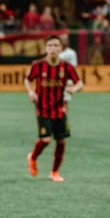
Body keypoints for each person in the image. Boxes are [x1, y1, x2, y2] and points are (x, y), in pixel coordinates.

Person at [25, 35, 83, 182]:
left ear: (61, 49)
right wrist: (31, 92)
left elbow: (79, 83)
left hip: (60, 109)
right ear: (46, 48)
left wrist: (73, 89)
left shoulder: (67, 67)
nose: (52, 48)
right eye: (50, 45)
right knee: (45, 140)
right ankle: (32, 157)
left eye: (56, 46)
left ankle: (55, 172)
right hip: (43, 108)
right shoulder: (38, 65)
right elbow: (28, 79)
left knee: (61, 141)